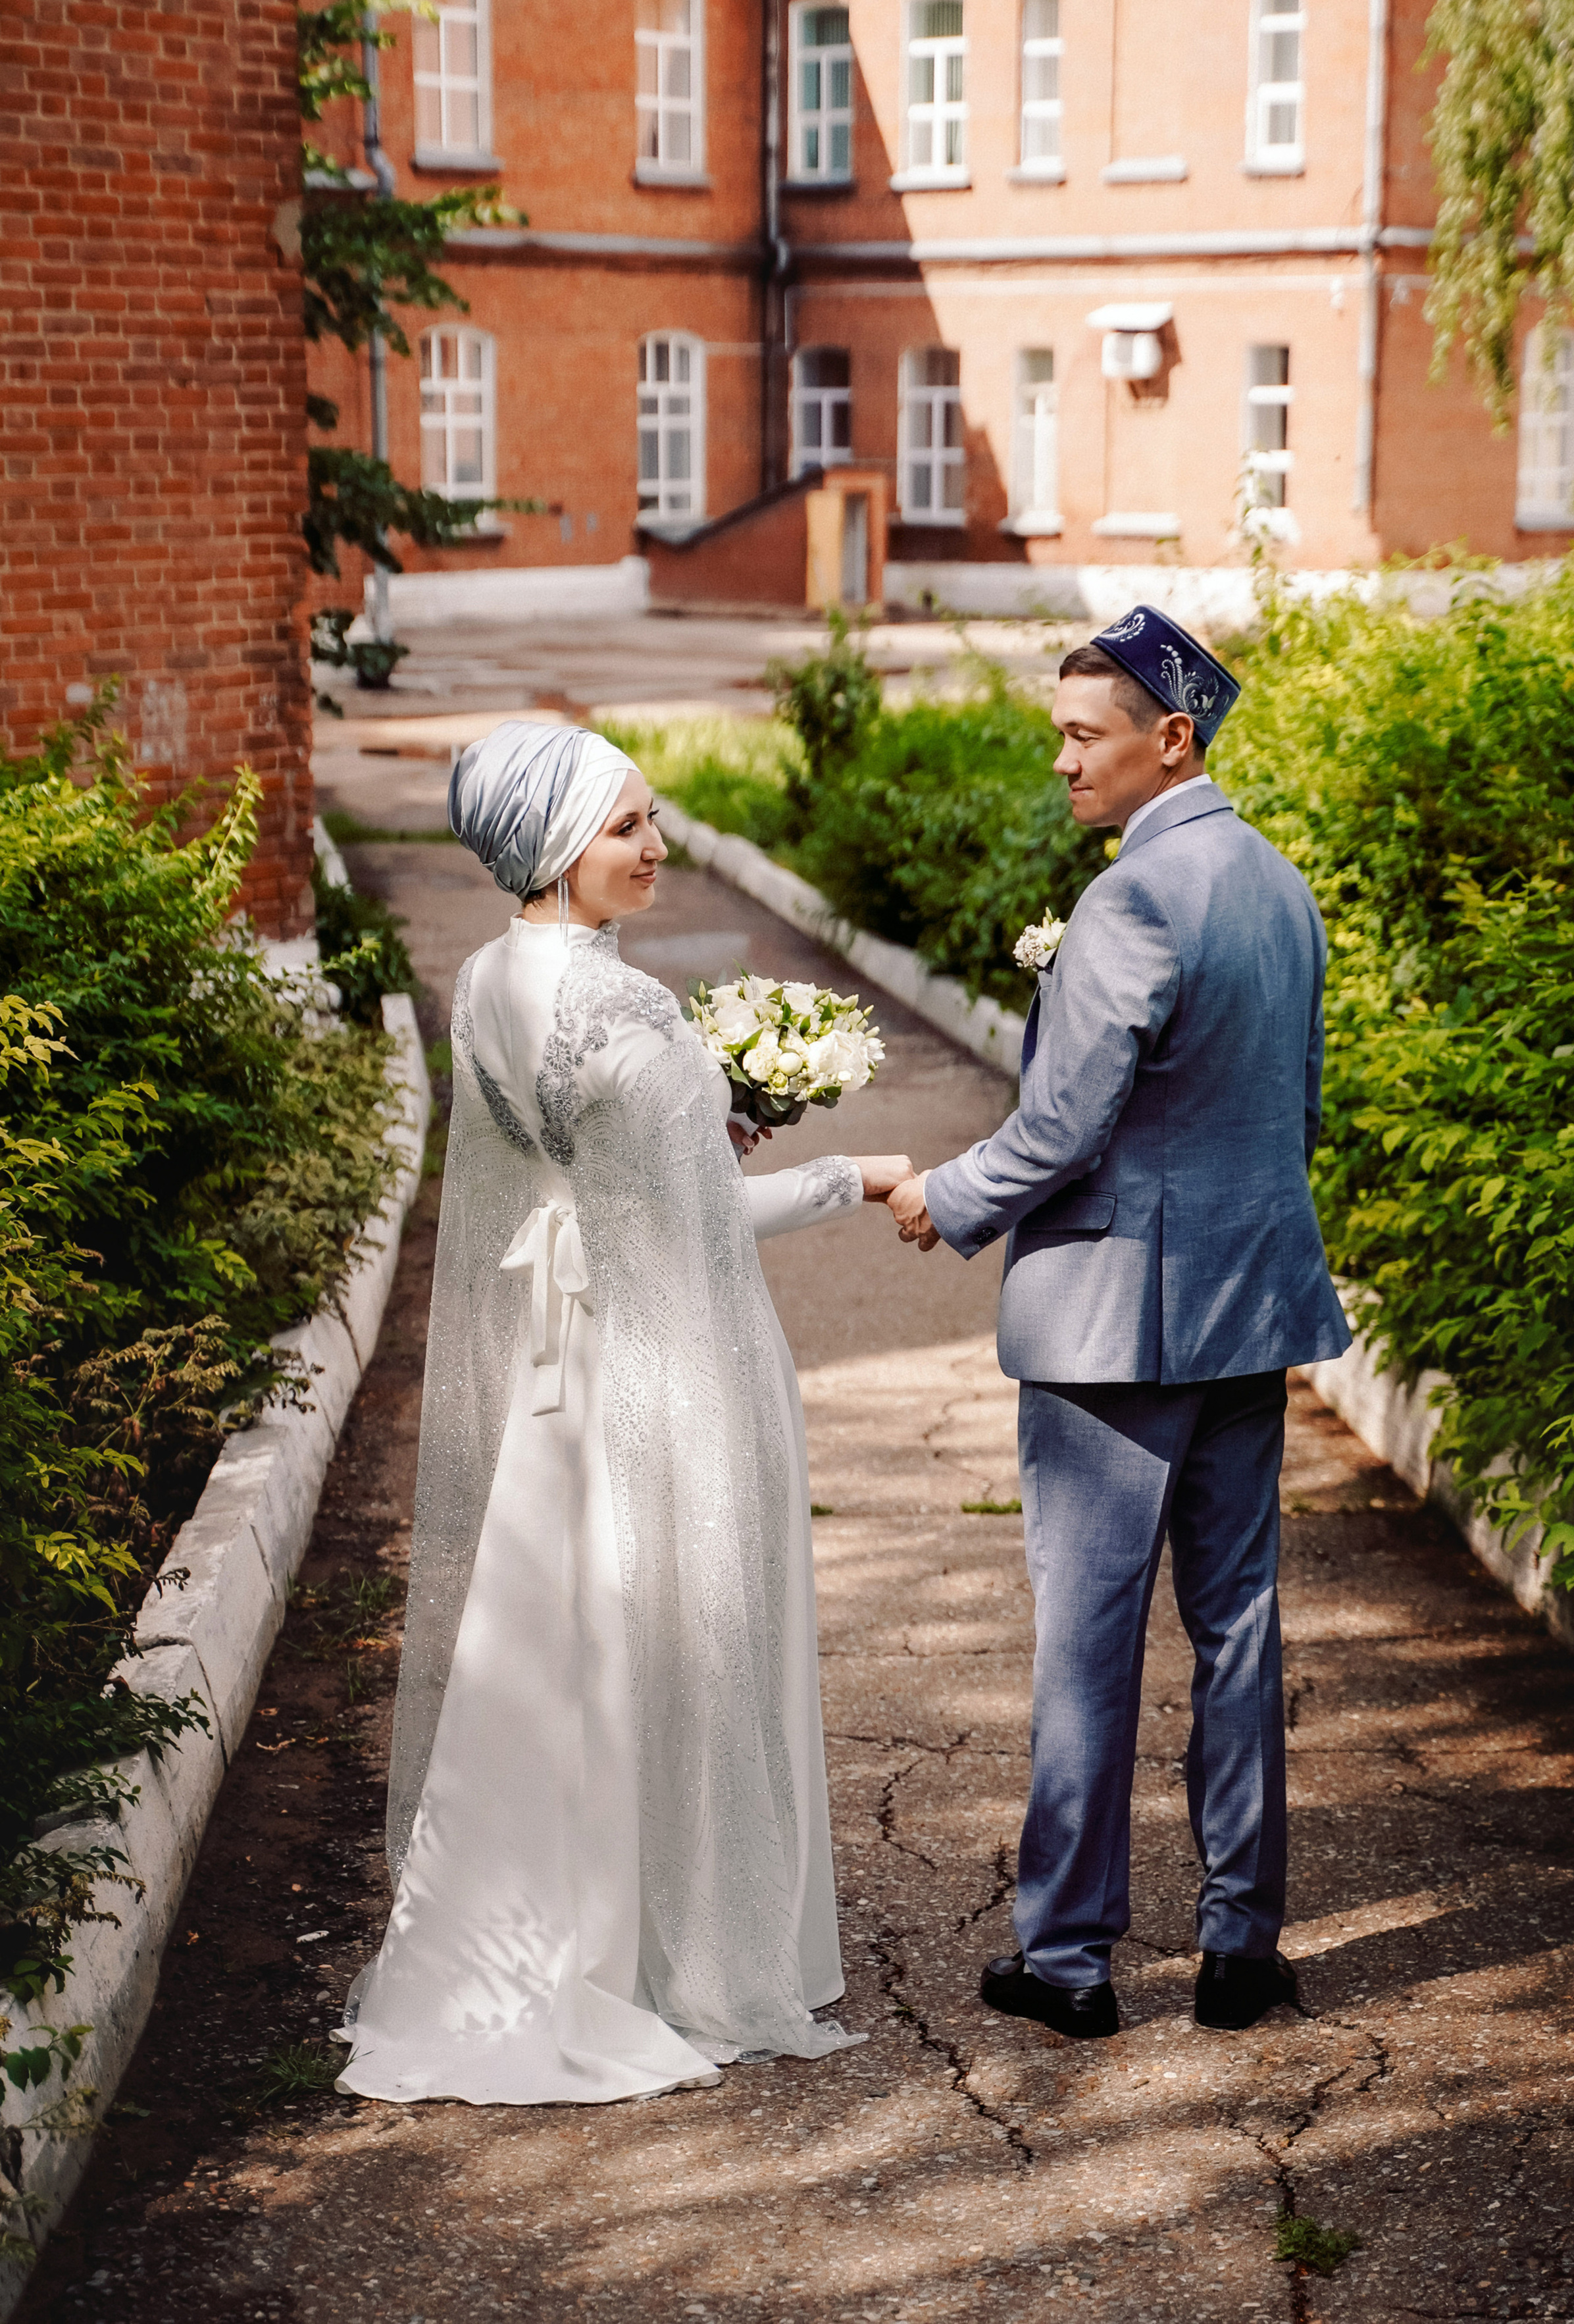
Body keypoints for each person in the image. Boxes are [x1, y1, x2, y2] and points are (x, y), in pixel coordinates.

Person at [338, 720, 909, 2105]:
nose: (654, 848)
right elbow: (706, 1223)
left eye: (652, 822)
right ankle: (686, 1955)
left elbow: (585, 1169)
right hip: (654, 1364)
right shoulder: (626, 1010)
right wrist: (862, 1173)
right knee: (677, 1642)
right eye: (625, 828)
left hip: (556, 1377)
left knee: (563, 1653)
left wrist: (689, 1135)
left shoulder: (484, 979)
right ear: (550, 846)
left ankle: (529, 1930)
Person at [888, 607, 1349, 2042]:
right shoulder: (1277, 887)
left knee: (1085, 1645)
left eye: (1083, 737)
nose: (1060, 762)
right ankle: (1238, 1949)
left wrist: (946, 1197)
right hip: (1245, 1314)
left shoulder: (1130, 902)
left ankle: (1070, 1963)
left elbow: (1061, 1126)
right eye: (1055, 734)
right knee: (1236, 1629)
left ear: (1172, 738)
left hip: (1108, 1336)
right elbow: (1296, 1114)